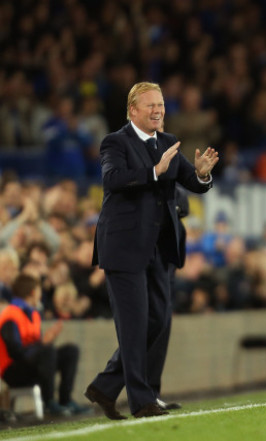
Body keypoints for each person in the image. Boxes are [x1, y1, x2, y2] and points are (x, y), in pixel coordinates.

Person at [85, 82, 219, 419]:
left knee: (157, 321)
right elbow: (113, 179)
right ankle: (142, 401)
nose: (158, 110)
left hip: (159, 249)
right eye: (150, 106)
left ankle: (105, 386)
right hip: (124, 247)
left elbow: (191, 181)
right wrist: (153, 172)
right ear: (133, 110)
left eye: (160, 105)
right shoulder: (115, 142)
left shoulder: (170, 142)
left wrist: (202, 176)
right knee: (134, 325)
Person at [0, 273, 90, 416]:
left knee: (71, 351)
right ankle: (49, 402)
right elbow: (15, 351)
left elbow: (35, 348)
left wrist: (44, 343)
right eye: (39, 291)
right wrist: (42, 347)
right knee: (47, 351)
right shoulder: (10, 314)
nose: (40, 295)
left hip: (32, 362)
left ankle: (65, 400)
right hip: (12, 370)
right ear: (32, 292)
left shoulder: (34, 315)